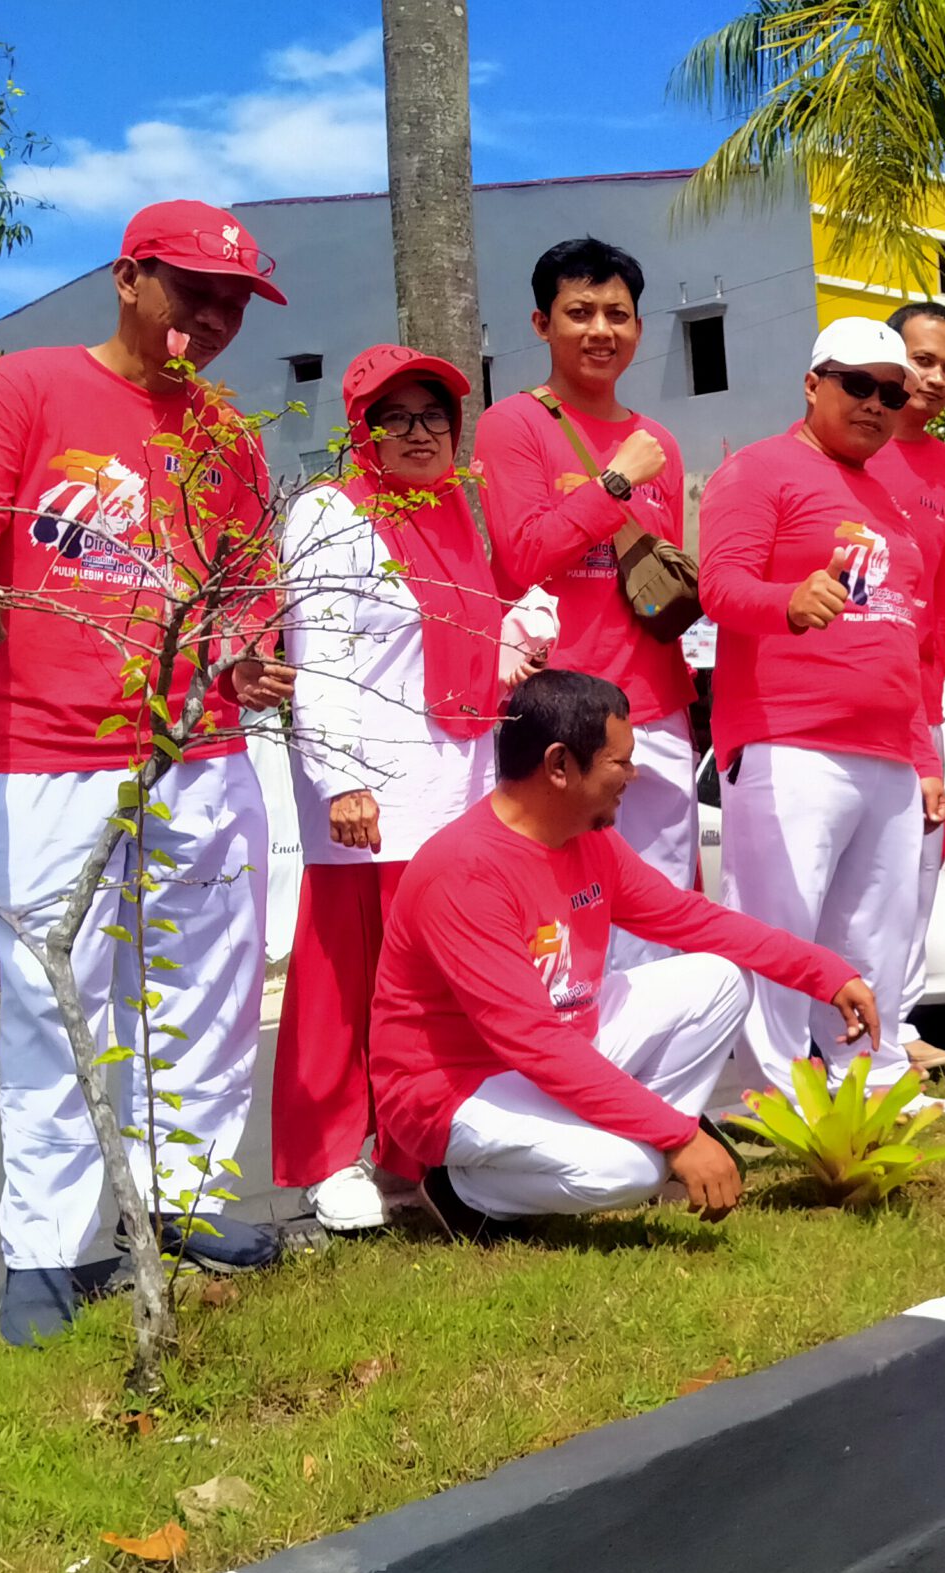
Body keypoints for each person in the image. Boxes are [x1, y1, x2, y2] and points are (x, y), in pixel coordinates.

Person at [0, 198, 293, 1346]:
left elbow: (249, 584)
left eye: (233, 304)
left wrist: (251, 655)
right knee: (52, 1003)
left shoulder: (228, 434)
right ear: (128, 277)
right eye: (192, 292)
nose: (214, 320)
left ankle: (185, 1202)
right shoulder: (24, 390)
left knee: (207, 998)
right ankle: (50, 1249)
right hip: (54, 759)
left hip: (200, 754)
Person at [370, 672, 878, 1235]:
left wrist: (826, 974)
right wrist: (678, 1136)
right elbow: (534, 1044)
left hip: (555, 1049)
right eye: (620, 762)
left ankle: (639, 1143)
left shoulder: (588, 840)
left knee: (719, 980)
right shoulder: (464, 872)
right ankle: (462, 1192)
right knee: (631, 1171)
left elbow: (692, 919)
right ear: (560, 766)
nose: (633, 776)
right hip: (457, 1091)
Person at [274, 345, 556, 1233]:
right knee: (342, 982)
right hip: (372, 800)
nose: (419, 432)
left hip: (456, 785)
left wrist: (523, 629)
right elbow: (318, 658)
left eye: (435, 415)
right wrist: (342, 782)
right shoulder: (329, 513)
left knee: (432, 989)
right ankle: (328, 1158)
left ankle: (411, 1156)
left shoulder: (456, 516)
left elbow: (522, 596)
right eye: (396, 417)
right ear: (362, 430)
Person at [697, 317, 945, 1102]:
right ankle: (771, 1100)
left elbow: (905, 638)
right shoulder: (758, 470)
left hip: (887, 757)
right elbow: (719, 587)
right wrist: (788, 600)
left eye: (892, 392)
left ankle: (868, 1091)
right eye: (858, 385)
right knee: (779, 937)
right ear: (813, 384)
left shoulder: (890, 500)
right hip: (788, 743)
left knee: (873, 939)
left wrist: (925, 758)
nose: (877, 403)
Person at [473, 238, 696, 885]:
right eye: (580, 312)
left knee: (660, 905)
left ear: (638, 326)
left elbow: (659, 582)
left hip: (655, 709)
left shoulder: (662, 444)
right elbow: (521, 558)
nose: (601, 330)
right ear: (542, 324)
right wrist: (617, 483)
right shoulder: (512, 423)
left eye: (617, 314)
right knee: (561, 903)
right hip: (557, 711)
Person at [872, 300, 945, 1076]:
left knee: (918, 864)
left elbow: (944, 595)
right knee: (856, 867)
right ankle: (838, 1029)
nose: (934, 379)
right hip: (851, 698)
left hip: (922, 703)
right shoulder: (853, 449)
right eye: (922, 361)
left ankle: (899, 1019)